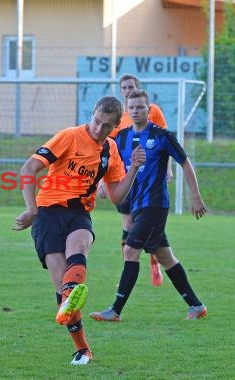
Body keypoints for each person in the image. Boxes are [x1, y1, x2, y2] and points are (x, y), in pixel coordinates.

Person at [12, 96, 146, 365]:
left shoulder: (110, 151)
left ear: (116, 126)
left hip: (79, 213)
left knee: (80, 245)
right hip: (47, 212)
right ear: (92, 114)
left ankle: (71, 293)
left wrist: (133, 169)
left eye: (106, 126)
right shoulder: (69, 136)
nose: (98, 129)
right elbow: (30, 167)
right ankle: (82, 347)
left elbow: (116, 196)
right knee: (61, 285)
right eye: (96, 121)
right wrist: (31, 208)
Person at [89, 90, 207, 323]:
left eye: (140, 107)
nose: (135, 110)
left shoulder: (162, 136)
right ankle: (196, 305)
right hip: (135, 205)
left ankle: (115, 310)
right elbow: (111, 164)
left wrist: (196, 197)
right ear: (127, 109)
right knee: (165, 256)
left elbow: (185, 163)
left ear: (149, 109)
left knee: (130, 250)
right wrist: (103, 183)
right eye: (131, 107)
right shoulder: (120, 137)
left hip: (155, 205)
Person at [100, 74, 171, 287]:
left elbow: (164, 142)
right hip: (123, 179)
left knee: (147, 223)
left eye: (131, 86)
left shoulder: (153, 111)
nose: (128, 89)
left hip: (148, 180)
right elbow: (108, 151)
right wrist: (104, 181)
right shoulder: (118, 118)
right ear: (121, 91)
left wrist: (166, 169)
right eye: (124, 87)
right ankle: (127, 271)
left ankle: (154, 264)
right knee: (128, 223)